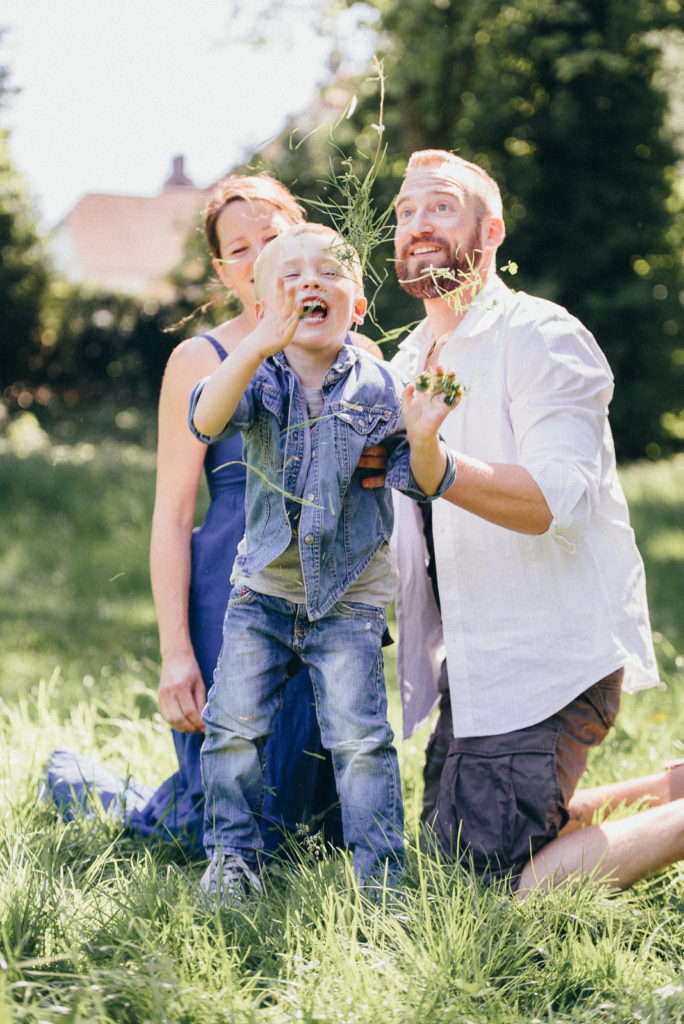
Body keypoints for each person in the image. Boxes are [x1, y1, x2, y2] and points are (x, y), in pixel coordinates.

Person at [47, 174, 379, 853]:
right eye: (239, 249)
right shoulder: (200, 359)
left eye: (273, 238)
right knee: (236, 822)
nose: (259, 258)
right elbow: (172, 516)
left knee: (312, 823)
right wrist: (175, 655)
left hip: (326, 601)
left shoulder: (361, 354)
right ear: (225, 270)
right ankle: (83, 786)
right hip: (229, 600)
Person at [384, 148, 684, 894]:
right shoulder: (406, 359)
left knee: (487, 894)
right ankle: (670, 791)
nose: (418, 223)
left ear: (491, 233)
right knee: (450, 864)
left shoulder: (540, 337)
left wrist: (439, 466)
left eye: (442, 207)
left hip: (546, 658)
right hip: (475, 663)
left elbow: (556, 499)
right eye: (405, 211)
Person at [188, 223, 459, 898]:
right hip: (263, 593)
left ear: (358, 306)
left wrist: (424, 435)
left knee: (361, 743)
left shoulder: (380, 385)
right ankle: (234, 859)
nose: (311, 281)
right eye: (290, 275)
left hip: (349, 601)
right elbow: (207, 421)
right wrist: (254, 345)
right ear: (262, 305)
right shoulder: (256, 373)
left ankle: (382, 881)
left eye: (330, 273)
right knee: (232, 732)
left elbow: (416, 479)